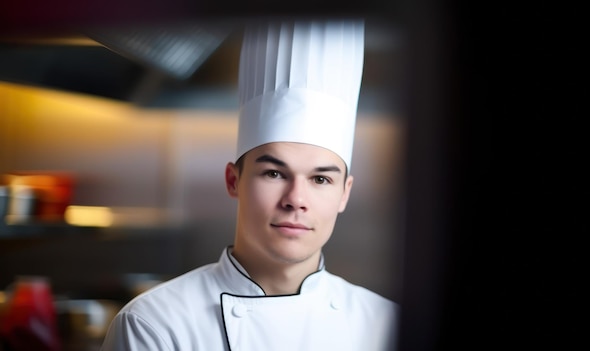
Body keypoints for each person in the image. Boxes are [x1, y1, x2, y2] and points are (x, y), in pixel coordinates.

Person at [100, 18, 400, 351]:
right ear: (233, 180)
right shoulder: (154, 324)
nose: (295, 199)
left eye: (320, 179)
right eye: (274, 173)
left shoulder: (387, 327)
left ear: (344, 194)